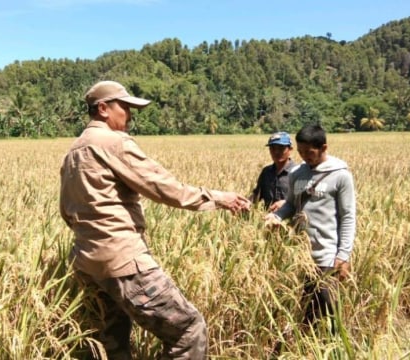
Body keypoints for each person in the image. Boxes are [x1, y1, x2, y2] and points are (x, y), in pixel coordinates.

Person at [59, 80, 250, 359]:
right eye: (124, 107)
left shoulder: (73, 151)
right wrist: (219, 198)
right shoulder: (114, 142)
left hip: (86, 263)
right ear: (103, 109)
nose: (130, 114)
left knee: (113, 341)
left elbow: (67, 210)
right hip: (123, 260)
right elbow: (164, 188)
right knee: (188, 328)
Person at [265, 124, 356, 332]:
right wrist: (276, 217)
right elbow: (290, 204)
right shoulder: (297, 173)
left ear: (324, 148)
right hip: (301, 256)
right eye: (301, 152)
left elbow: (348, 217)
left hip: (327, 257)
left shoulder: (340, 175)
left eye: (310, 152)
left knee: (330, 313)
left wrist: (343, 255)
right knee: (305, 311)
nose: (305, 157)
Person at [249, 132, 297, 211]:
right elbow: (257, 194)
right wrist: (246, 202)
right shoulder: (266, 172)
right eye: (273, 148)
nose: (276, 152)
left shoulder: (297, 172)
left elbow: (305, 200)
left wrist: (286, 203)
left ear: (290, 149)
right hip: (268, 219)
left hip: (290, 220)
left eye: (281, 148)